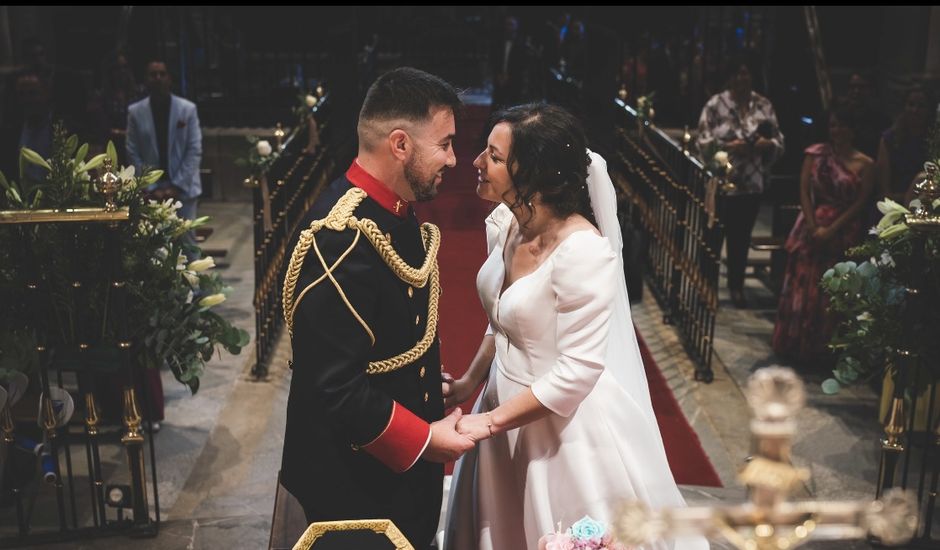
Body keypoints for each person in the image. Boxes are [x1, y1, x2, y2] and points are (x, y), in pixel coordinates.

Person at [441, 103, 707, 550]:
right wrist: (471, 382)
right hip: (499, 406)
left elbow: (578, 372)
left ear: (533, 173)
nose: (476, 163)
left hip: (558, 429)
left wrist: (489, 422)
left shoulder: (582, 252)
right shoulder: (508, 223)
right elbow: (504, 317)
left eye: (495, 156)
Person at [279, 67, 475, 548]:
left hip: (393, 475)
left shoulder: (393, 210)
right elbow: (336, 388)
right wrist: (428, 440)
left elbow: (384, 343)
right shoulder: (339, 238)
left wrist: (424, 386)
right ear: (401, 145)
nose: (453, 158)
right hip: (353, 492)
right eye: (445, 144)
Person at [772, 103, 874, 367]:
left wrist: (832, 228)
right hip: (812, 223)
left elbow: (860, 203)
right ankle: (794, 344)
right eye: (833, 125)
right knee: (803, 284)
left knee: (831, 291)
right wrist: (812, 223)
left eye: (841, 125)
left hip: (842, 229)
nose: (836, 130)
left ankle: (823, 349)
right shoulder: (816, 154)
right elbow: (804, 190)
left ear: (852, 130)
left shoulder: (865, 163)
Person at [696, 52, 784, 309]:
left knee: (740, 239)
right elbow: (703, 140)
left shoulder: (763, 105)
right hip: (722, 184)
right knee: (713, 237)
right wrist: (728, 146)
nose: (741, 78)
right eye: (737, 73)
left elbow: (779, 141)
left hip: (751, 184)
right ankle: (706, 286)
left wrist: (765, 145)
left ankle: (736, 287)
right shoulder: (715, 105)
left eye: (746, 73)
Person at [126, 60, 203, 224]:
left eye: (162, 74)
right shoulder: (135, 112)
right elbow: (132, 151)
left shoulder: (187, 109)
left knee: (186, 243)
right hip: (150, 190)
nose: (158, 78)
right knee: (153, 243)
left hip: (183, 188)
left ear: (169, 78)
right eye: (153, 75)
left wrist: (176, 186)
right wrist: (151, 187)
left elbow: (194, 150)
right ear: (146, 79)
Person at [868, 86, 934, 226]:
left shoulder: (935, 140)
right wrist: (908, 198)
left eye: (921, 106)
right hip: (893, 206)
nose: (915, 110)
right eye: (911, 104)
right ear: (904, 107)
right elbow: (884, 191)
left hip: (929, 207)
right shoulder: (889, 139)